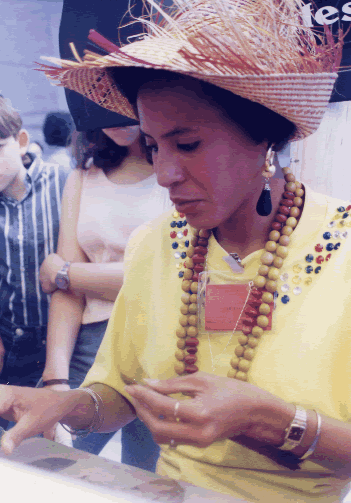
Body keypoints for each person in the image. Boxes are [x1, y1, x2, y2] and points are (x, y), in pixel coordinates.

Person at [1, 1, 351, 502]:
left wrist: (270, 419)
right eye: (153, 146)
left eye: (186, 144)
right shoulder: (158, 244)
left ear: (264, 138)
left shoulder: (342, 251)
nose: (164, 173)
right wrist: (63, 404)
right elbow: (118, 393)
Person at [38, 125, 169, 469]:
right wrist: (56, 376)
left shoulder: (176, 173)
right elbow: (67, 296)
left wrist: (66, 272)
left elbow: (169, 276)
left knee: (146, 482)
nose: (114, 119)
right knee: (47, 463)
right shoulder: (84, 176)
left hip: (163, 343)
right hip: (91, 340)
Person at [0, 96, 68, 428]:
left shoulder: (64, 181)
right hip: (10, 340)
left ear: (21, 141)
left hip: (65, 338)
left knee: (60, 443)